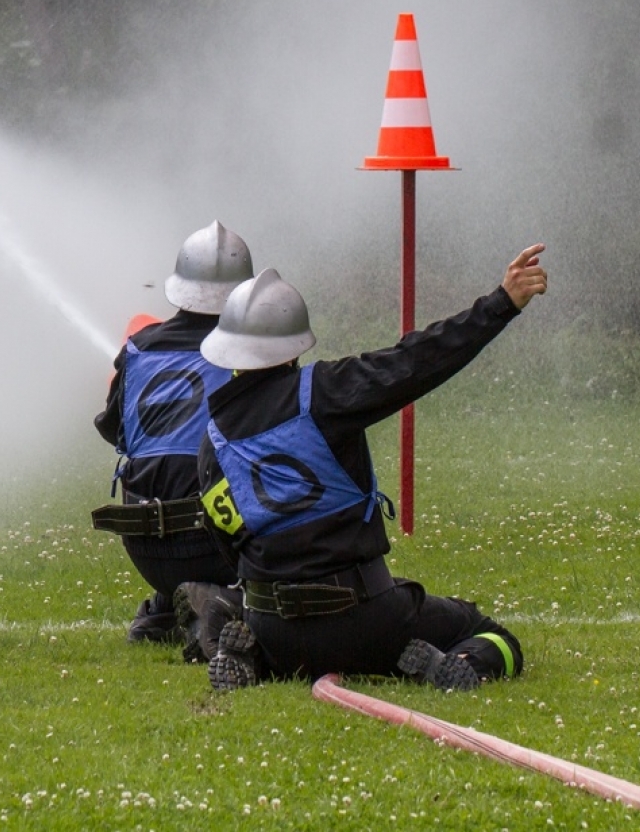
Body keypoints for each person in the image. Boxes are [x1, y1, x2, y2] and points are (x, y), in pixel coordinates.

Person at [194, 245, 548, 691]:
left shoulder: (213, 441)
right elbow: (416, 361)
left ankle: (255, 659)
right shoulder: (323, 393)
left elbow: (228, 546)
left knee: (245, 614)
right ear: (292, 348)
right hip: (367, 619)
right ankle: (461, 665)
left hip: (274, 628)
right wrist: (501, 303)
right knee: (492, 634)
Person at [92, 221, 250, 656]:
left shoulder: (139, 349)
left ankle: (164, 606)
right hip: (216, 544)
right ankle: (213, 604)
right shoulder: (246, 356)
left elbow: (113, 431)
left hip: (143, 545)